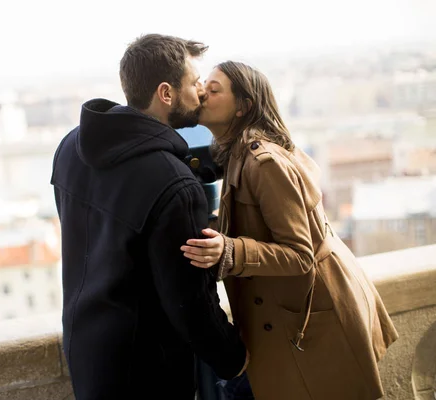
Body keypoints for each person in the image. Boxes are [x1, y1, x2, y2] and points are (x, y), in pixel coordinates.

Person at [181, 61, 399, 400]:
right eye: (202, 86)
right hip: (294, 316)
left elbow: (300, 254)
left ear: (243, 107)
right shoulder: (239, 151)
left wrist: (230, 251)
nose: (202, 94)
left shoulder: (263, 163)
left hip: (313, 319)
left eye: (214, 89)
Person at [50, 35, 247, 400]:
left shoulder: (70, 150)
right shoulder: (174, 187)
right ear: (166, 93)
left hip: (88, 354)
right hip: (147, 373)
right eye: (193, 83)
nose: (201, 92)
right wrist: (235, 359)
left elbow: (127, 187)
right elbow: (190, 303)